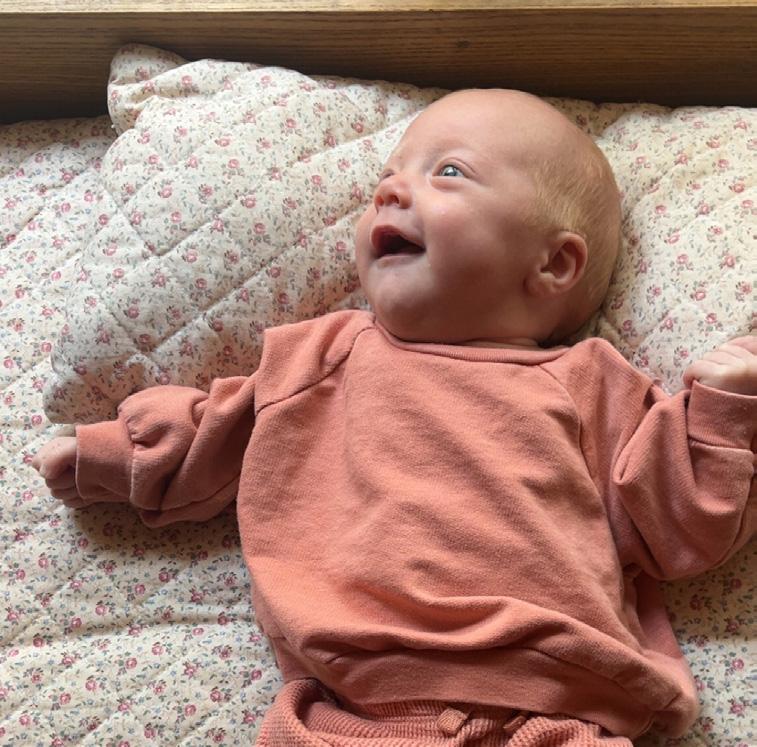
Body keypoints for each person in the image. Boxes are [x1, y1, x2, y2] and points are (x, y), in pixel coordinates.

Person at [32, 89, 756, 746]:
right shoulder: (323, 356)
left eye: (448, 172)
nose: (389, 189)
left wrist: (722, 412)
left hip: (557, 708)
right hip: (348, 709)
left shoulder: (593, 379)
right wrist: (114, 457)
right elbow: (214, 434)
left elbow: (677, 525)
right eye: (388, 174)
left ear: (553, 266)